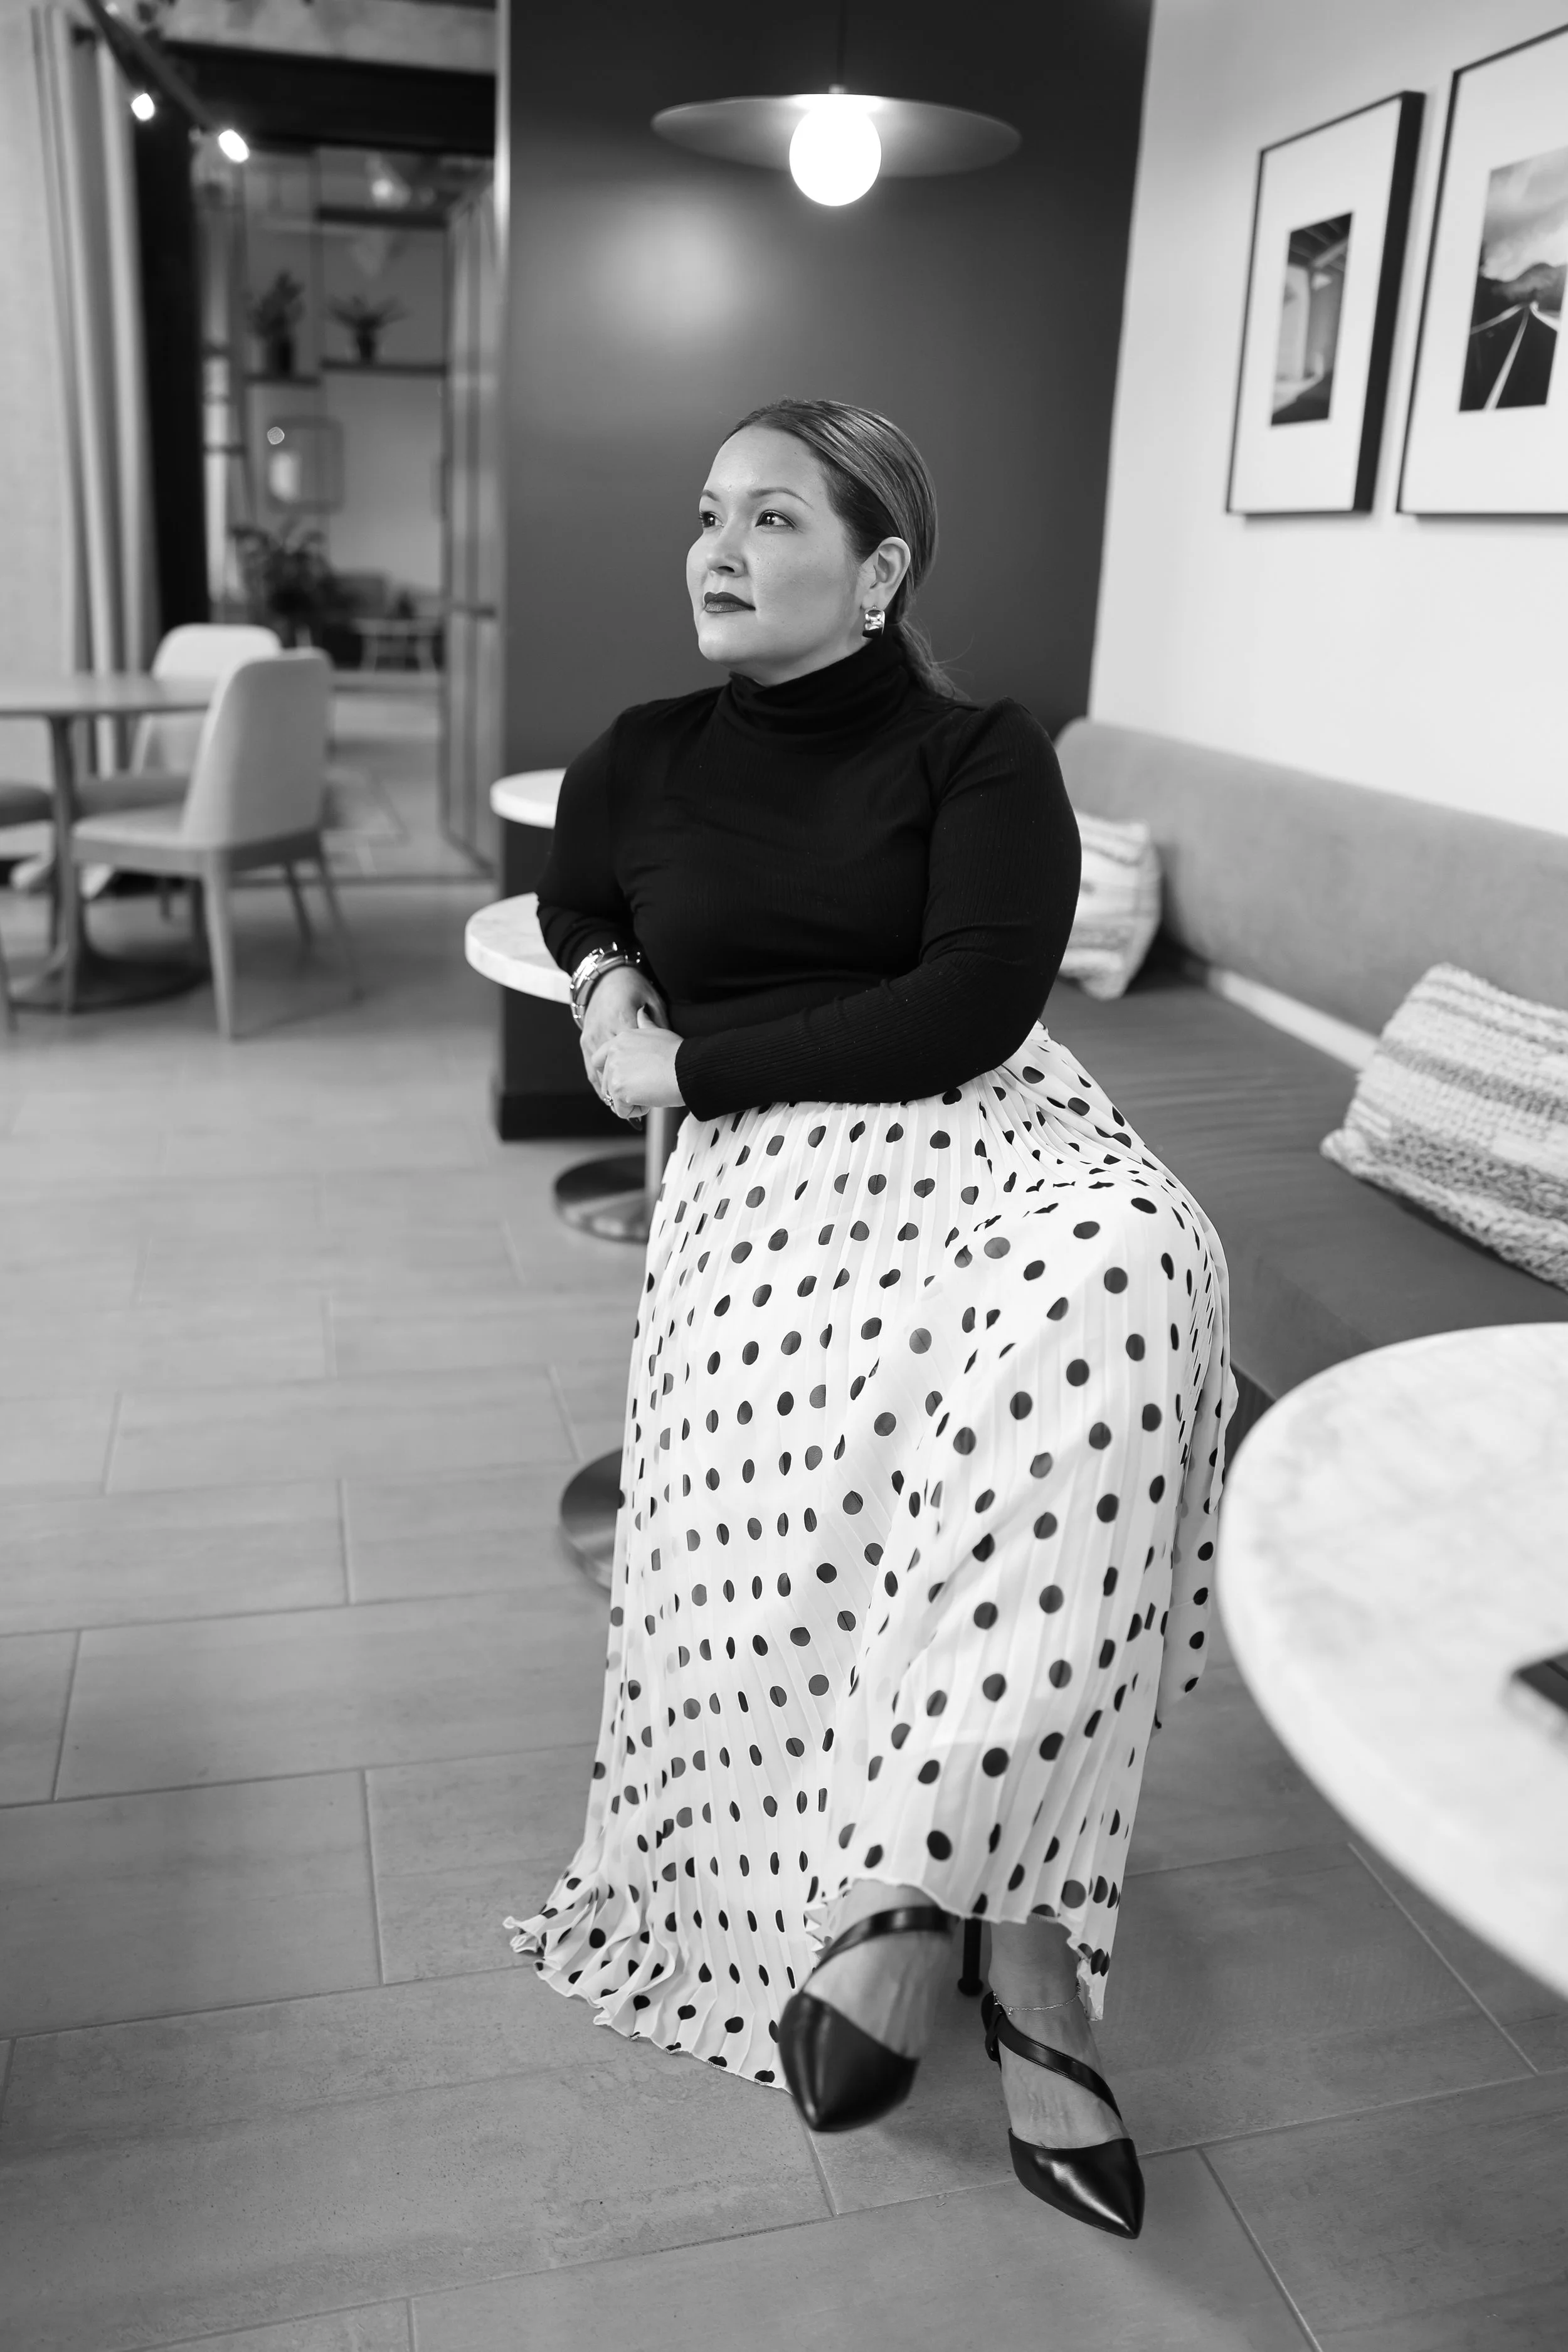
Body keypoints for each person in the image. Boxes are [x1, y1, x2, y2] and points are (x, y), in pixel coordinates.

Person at [506, 398, 1233, 2238]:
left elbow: (968, 1003)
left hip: (980, 1134)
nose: (716, 550)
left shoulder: (978, 752)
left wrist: (695, 1056)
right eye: (706, 515)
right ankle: (993, 1941)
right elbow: (577, 895)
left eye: (769, 518)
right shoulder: (639, 753)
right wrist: (603, 991)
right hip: (768, 1183)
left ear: (877, 568)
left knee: (1132, 1285)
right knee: (896, 1403)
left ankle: (962, 1916)